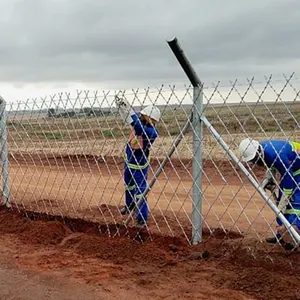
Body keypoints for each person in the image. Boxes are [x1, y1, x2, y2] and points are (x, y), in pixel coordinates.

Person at [238, 138, 300, 250]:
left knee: (295, 202)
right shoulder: (263, 150)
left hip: (297, 169)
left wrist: (284, 199)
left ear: (259, 152)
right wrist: (269, 178)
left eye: (256, 159)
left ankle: (295, 234)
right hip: (290, 168)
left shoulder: (276, 154)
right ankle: (282, 233)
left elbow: (288, 177)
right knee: (282, 202)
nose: (256, 163)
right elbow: (273, 164)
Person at [115, 96, 161, 227]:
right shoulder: (139, 122)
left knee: (140, 190)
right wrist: (126, 109)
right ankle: (129, 205)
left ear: (151, 119)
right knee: (128, 185)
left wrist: (130, 112)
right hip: (129, 161)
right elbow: (135, 120)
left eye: (144, 115)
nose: (141, 116)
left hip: (140, 165)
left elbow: (137, 126)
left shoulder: (152, 132)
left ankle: (141, 217)